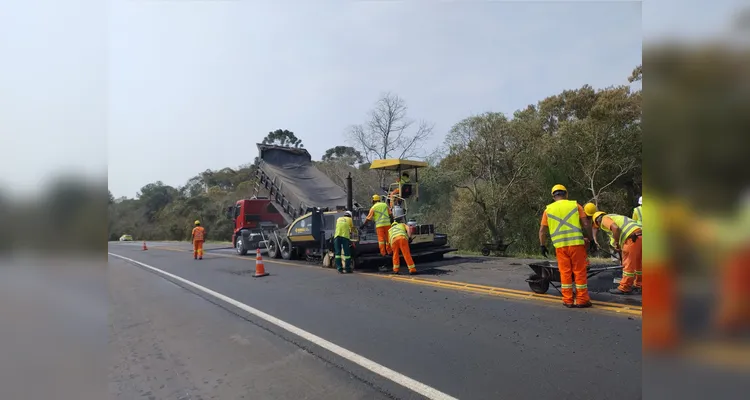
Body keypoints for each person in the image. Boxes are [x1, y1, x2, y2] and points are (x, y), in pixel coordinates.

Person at [539, 184, 596, 308]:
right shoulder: (575, 205)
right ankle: (582, 300)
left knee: (565, 272)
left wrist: (542, 245)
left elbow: (542, 230)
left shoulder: (548, 210)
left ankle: (568, 300)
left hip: (560, 246)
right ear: (566, 194)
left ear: (553, 197)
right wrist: (591, 240)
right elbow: (586, 224)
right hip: (576, 245)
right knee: (579, 272)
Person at [591, 211, 642, 294]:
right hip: (640, 235)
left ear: (598, 221)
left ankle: (624, 287)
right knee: (638, 264)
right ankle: (639, 285)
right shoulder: (615, 216)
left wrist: (617, 243)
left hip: (632, 238)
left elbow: (615, 228)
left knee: (628, 264)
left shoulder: (604, 219)